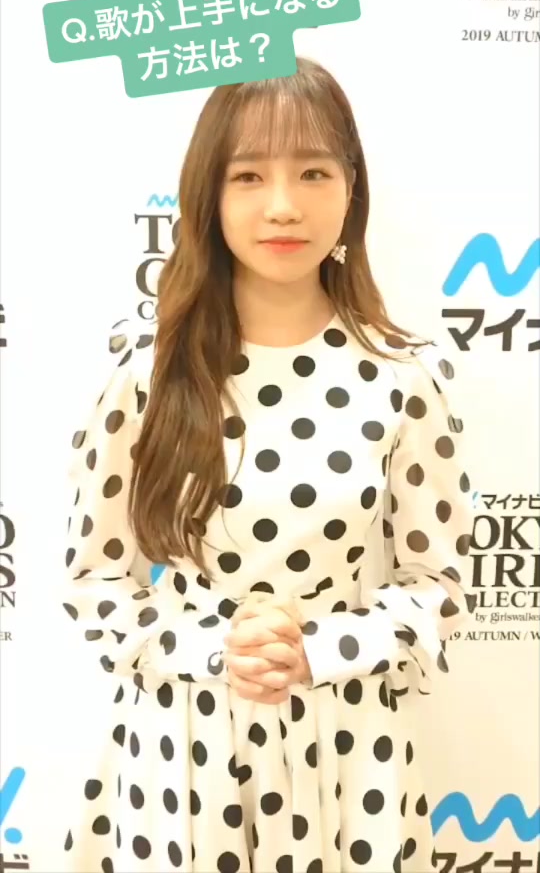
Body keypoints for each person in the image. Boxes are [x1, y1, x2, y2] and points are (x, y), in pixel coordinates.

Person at [61, 56, 477, 873]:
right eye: (248, 175)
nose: (283, 204)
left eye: (314, 172)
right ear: (208, 196)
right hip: (181, 748)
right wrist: (216, 648)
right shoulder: (145, 369)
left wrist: (320, 649)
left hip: (348, 750)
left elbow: (438, 586)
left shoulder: (405, 376)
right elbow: (92, 579)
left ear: (351, 189)